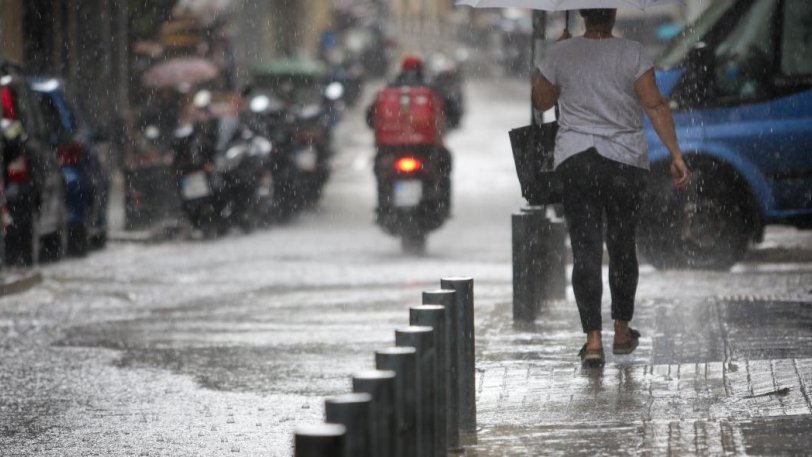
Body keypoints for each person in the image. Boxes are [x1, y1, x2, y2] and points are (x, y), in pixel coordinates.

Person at [531, 8, 690, 367]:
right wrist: (675, 154)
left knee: (585, 248)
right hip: (624, 162)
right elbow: (654, 104)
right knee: (622, 244)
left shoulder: (562, 52)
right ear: (614, 13)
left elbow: (540, 101)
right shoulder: (632, 52)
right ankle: (621, 330)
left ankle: (592, 341)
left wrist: (553, 57)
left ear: (582, 14)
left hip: (576, 161)